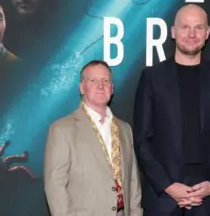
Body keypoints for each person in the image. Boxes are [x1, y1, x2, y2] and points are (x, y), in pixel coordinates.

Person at [133, 4, 210, 216]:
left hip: (207, 199)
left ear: (207, 33)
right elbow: (142, 140)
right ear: (173, 32)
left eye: (198, 28)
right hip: (163, 199)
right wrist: (167, 185)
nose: (192, 34)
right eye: (185, 27)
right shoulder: (152, 77)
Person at [44, 60, 143, 216]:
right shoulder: (62, 129)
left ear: (112, 88)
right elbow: (55, 186)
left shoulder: (125, 129)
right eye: (93, 80)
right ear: (82, 87)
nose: (100, 85)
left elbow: (133, 181)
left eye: (106, 80)